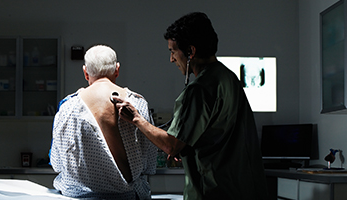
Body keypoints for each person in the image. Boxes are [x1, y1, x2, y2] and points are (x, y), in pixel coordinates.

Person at [113, 12, 269, 199]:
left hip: (214, 191)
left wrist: (137, 119)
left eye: (173, 51)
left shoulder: (199, 90)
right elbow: (217, 132)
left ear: (190, 52)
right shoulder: (228, 78)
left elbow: (171, 146)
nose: (171, 59)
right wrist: (185, 145)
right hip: (244, 189)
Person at [50, 45, 157, 200]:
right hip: (127, 197)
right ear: (117, 69)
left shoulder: (68, 107)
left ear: (85, 72)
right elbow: (149, 161)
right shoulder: (136, 103)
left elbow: (57, 164)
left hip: (77, 197)